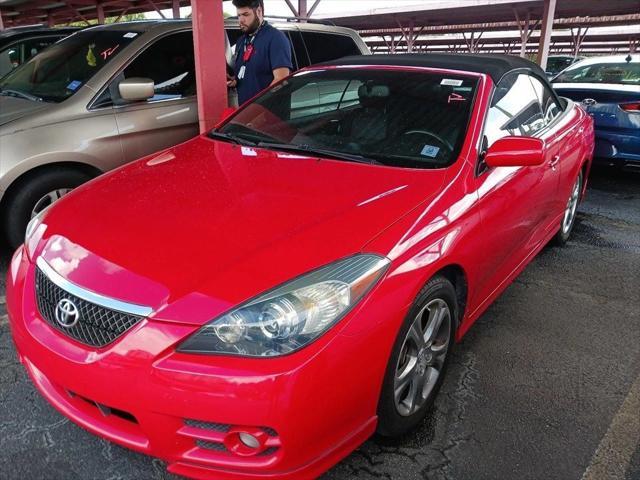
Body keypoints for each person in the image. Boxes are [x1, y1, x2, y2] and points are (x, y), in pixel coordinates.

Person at [228, 0, 293, 105]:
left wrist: (258, 109)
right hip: (245, 115)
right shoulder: (241, 42)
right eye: (239, 15)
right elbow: (246, 75)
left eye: (245, 14)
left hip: (270, 115)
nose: (241, 20)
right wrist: (235, 81)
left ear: (259, 11)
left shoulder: (276, 38)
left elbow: (281, 80)